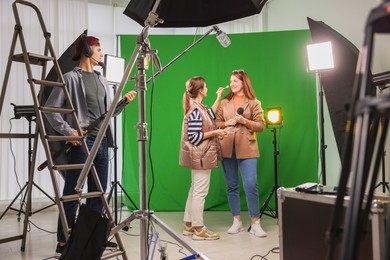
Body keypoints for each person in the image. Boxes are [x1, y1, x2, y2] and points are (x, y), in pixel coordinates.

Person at [44, 35, 137, 253]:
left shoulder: (101, 79)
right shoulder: (70, 78)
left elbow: (106, 115)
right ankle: (64, 239)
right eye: (98, 49)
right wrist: (69, 132)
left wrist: (123, 102)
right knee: (73, 191)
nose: (101, 53)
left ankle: (92, 238)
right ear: (86, 50)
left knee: (98, 192)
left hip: (102, 141)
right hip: (83, 142)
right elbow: (51, 110)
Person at [215, 69, 267, 238]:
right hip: (227, 147)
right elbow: (215, 123)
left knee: (251, 185)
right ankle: (236, 221)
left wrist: (244, 121)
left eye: (235, 81)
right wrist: (226, 124)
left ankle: (255, 222)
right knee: (232, 186)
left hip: (248, 147)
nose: (232, 84)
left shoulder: (254, 102)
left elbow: (261, 125)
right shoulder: (224, 102)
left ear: (244, 82)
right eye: (231, 81)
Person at [179, 76, 227, 240]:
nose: (207, 89)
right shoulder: (194, 111)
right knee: (200, 193)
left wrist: (218, 98)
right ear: (200, 90)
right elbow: (194, 137)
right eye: (205, 87)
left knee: (194, 191)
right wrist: (216, 132)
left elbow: (210, 115)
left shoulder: (198, 107)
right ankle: (199, 230)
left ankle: (188, 225)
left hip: (201, 156)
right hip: (202, 157)